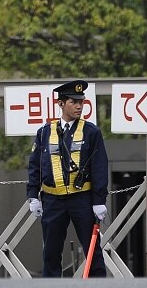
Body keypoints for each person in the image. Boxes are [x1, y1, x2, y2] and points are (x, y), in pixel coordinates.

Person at [26, 80, 109, 277]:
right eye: (73, 101)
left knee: (92, 251)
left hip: (82, 199)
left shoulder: (91, 132)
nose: (79, 106)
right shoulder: (44, 132)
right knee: (51, 252)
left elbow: (99, 167)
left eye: (81, 101)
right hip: (52, 199)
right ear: (61, 103)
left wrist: (99, 200)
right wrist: (33, 195)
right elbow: (35, 165)